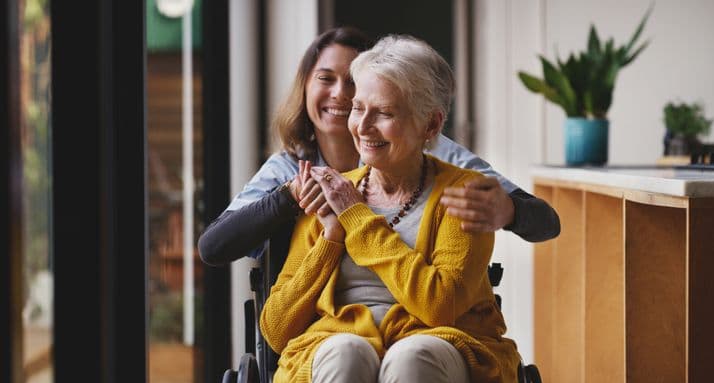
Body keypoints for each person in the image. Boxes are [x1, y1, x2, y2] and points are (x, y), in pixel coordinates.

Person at [260, 34, 521, 383]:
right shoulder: (331, 193)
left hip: (439, 344)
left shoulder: (464, 194)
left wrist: (356, 218)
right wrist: (332, 238)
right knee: (345, 353)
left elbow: (439, 306)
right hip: (335, 346)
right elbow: (276, 327)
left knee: (412, 357)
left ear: (430, 125)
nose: (362, 127)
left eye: (383, 113)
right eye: (357, 108)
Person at [197, 27, 559, 267]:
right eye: (326, 79)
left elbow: (545, 221)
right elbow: (214, 247)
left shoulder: (436, 153)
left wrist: (508, 210)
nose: (341, 94)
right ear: (305, 86)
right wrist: (289, 197)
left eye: (354, 83)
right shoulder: (291, 168)